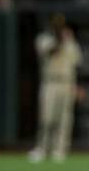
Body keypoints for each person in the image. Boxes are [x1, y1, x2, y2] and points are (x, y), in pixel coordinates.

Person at [28, 13, 83, 162]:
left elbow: (76, 64)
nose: (59, 27)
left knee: (65, 119)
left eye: (61, 24)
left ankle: (60, 150)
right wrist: (62, 39)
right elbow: (51, 52)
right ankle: (42, 148)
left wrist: (77, 86)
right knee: (46, 117)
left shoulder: (71, 41)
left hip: (67, 83)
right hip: (50, 82)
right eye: (56, 24)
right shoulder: (44, 39)